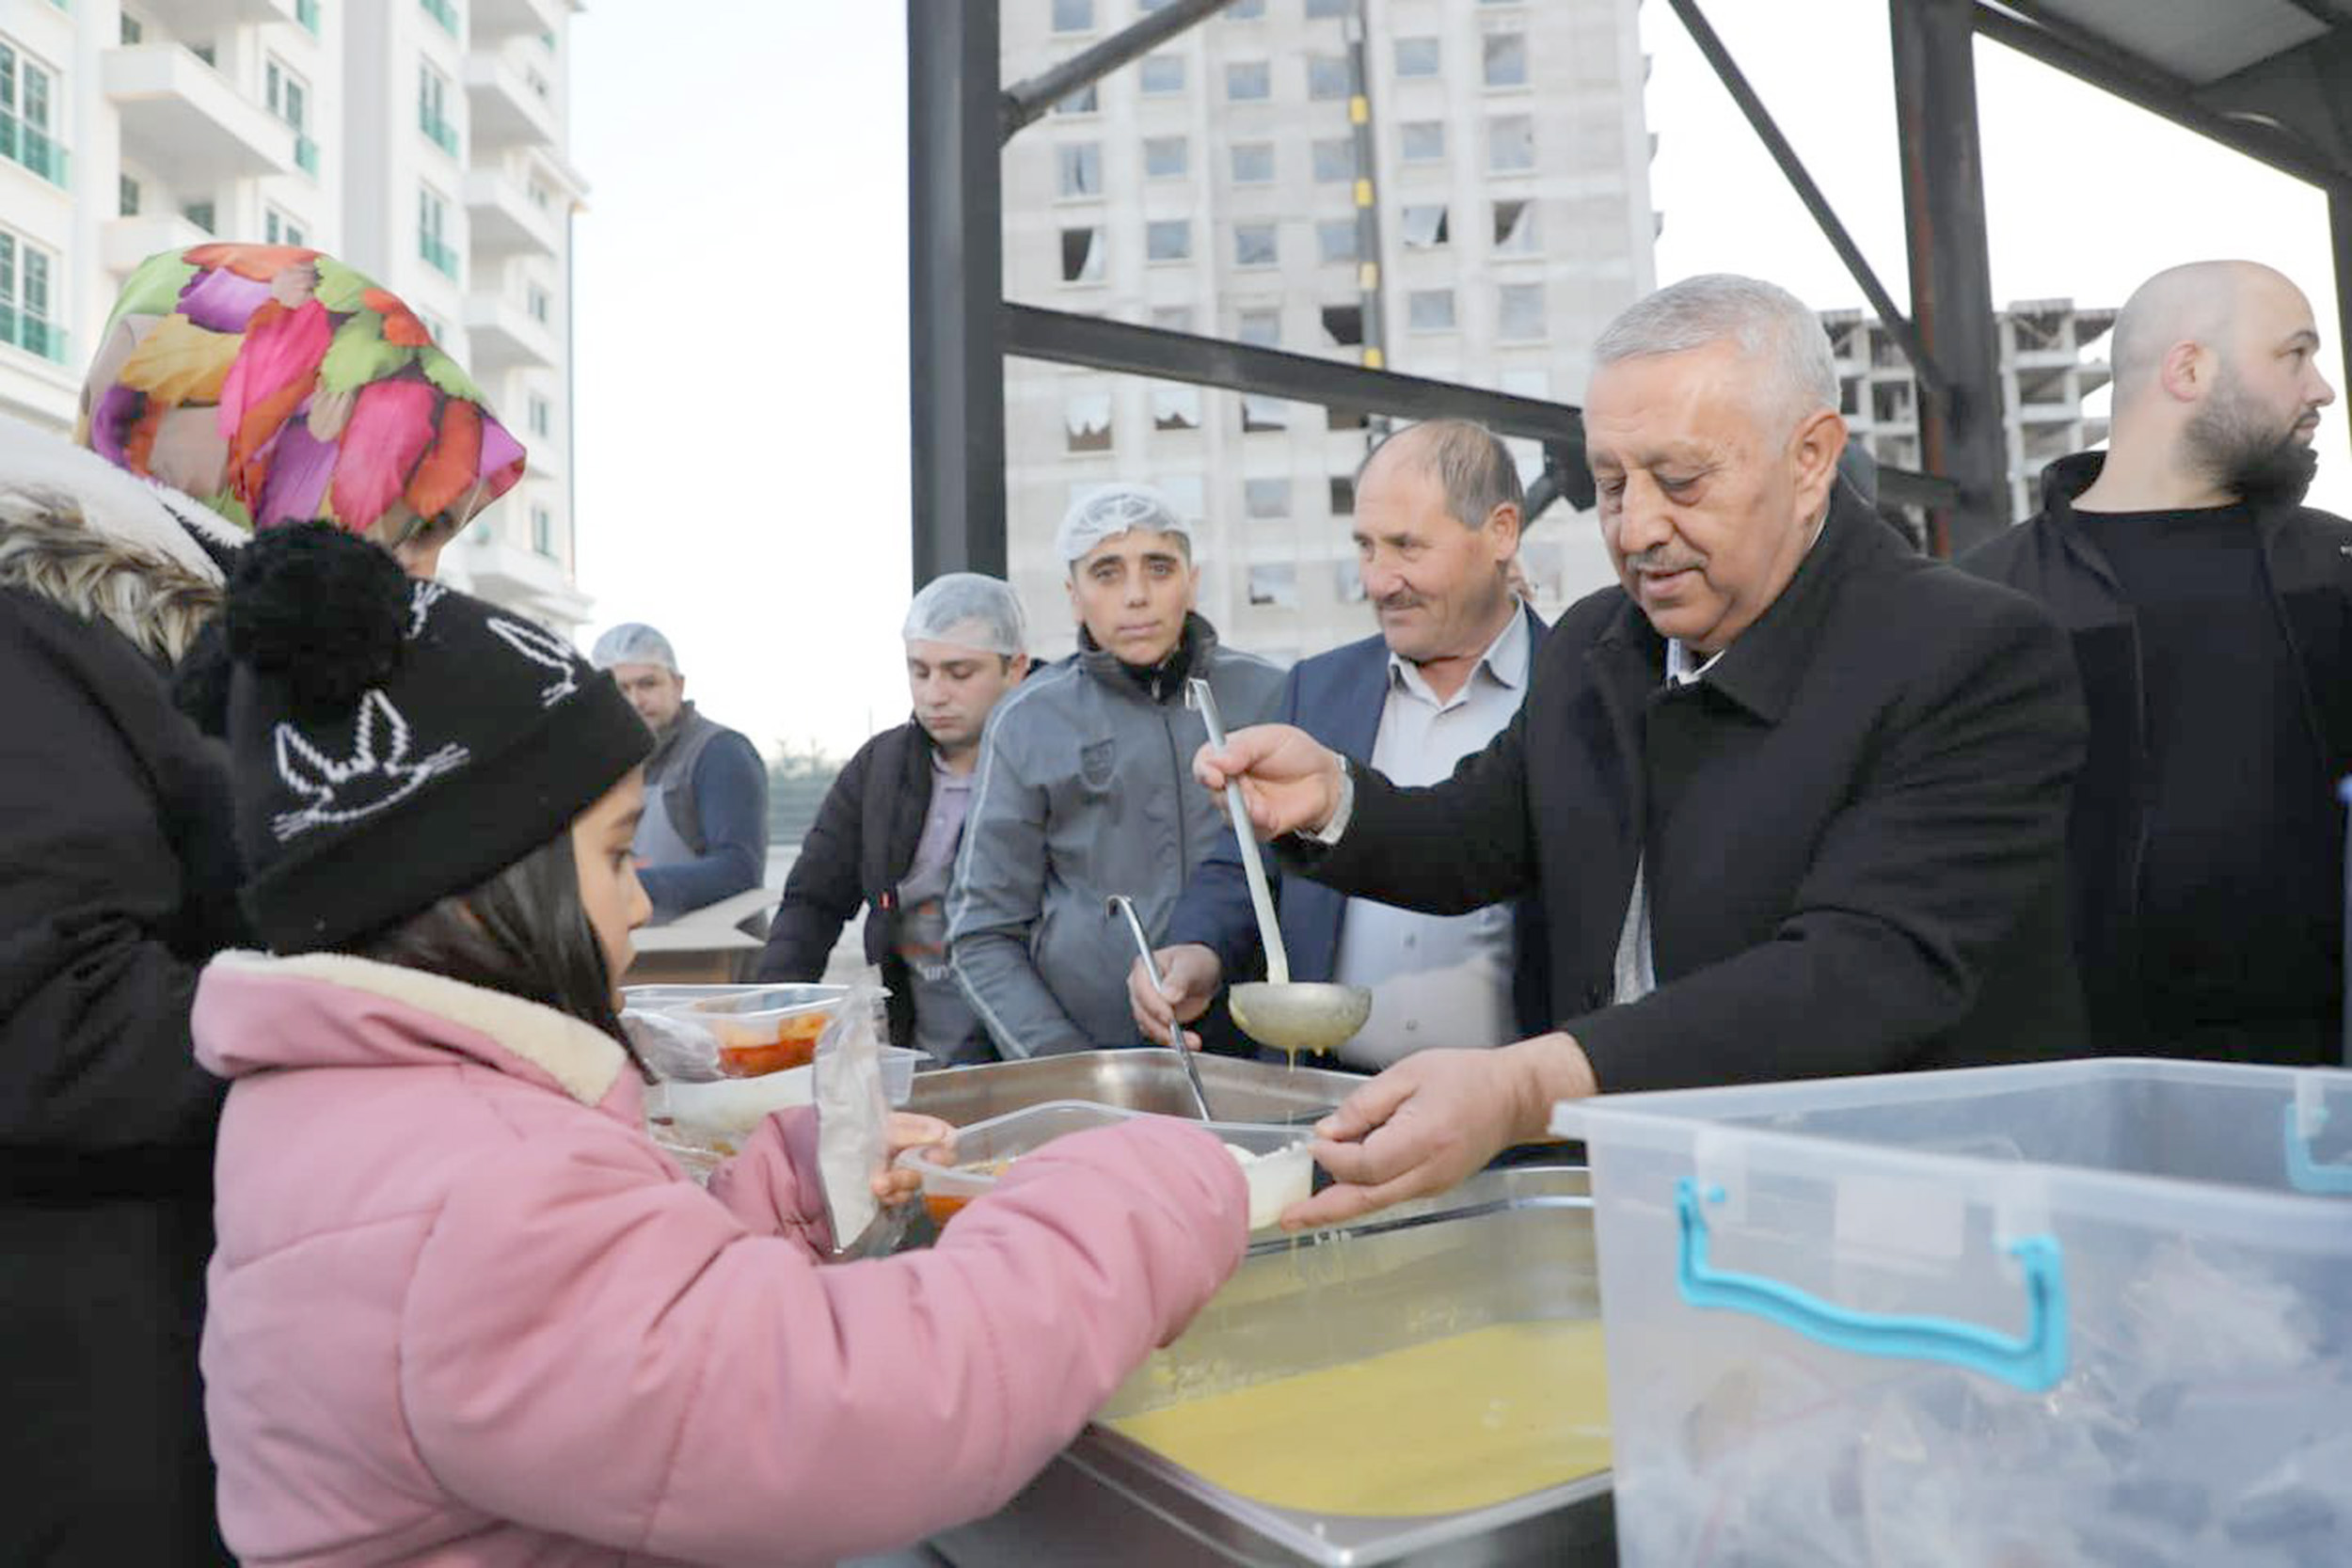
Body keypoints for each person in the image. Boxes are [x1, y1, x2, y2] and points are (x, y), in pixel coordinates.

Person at [191, 525, 1248, 1566]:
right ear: (477, 892)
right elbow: (856, 1411)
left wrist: (793, 1185)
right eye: (614, 856)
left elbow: (625, 1338)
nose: (643, 895)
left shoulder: (368, 1117)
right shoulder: (476, 1191)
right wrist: (1150, 1181)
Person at [1195, 274, 2088, 1227]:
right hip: (1633, 1206)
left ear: (1811, 457)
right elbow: (1477, 831)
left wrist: (1526, 1085)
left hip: (1884, 1221)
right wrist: (1331, 797)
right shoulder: (1596, 645)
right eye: (1611, 482)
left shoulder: (1969, 651)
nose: (1637, 527)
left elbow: (1859, 970)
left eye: (1682, 479)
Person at [1, 240, 523, 1567]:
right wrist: (402, 1024)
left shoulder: (210, 641)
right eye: (410, 510)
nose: (423, 566)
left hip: (208, 1311)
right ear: (274, 440)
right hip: (89, 1367)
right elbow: (49, 1019)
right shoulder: (37, 635)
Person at [1963, 260, 2344, 1065]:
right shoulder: (1984, 605)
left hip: (2322, 1099)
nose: (2321, 389)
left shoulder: (2339, 568)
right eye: (2295, 354)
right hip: (2078, 1103)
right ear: (2189, 369)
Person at [1132, 420, 1551, 1070]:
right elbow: (1246, 862)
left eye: (1407, 547)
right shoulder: (1318, 691)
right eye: (1365, 547)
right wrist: (1198, 952)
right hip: (1327, 1112)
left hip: (1519, 1132)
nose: (1378, 581)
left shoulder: (1573, 693)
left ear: (1501, 531)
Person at [949, 483, 1286, 1057]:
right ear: (1074, 595)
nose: (1136, 595)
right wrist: (1068, 1069)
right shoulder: (1027, 722)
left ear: (1192, 580)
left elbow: (1315, 885)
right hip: (1091, 1062)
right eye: (1106, 573)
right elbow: (981, 933)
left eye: (1159, 568)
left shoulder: (1272, 696)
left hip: (1259, 1059)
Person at [757, 574, 1030, 1065]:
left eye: (959, 672)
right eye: (919, 671)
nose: (935, 694)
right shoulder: (880, 770)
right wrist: (769, 1013)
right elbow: (813, 902)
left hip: (1036, 1050)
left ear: (1017, 668)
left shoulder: (1052, 763)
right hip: (927, 1045)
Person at [590, 622, 770, 923]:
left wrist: (624, 884)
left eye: (648, 684)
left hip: (712, 960)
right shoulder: (602, 764)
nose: (635, 701)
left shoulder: (719, 753)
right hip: (634, 957)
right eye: (620, 689)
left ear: (678, 685)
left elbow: (738, 871)